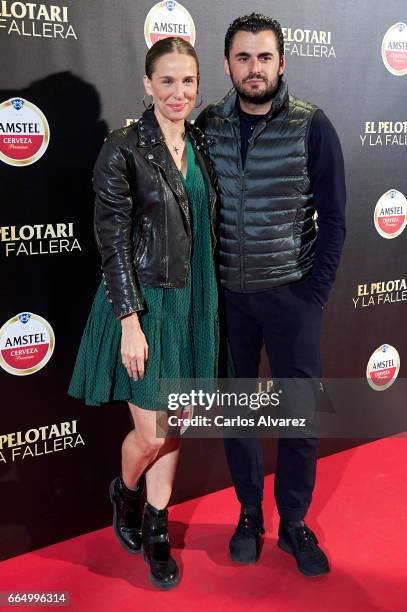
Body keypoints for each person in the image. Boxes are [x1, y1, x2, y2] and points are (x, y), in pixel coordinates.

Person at [196, 13, 346, 577]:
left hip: (291, 296)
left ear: (282, 63)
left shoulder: (312, 125)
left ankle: (295, 523)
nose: (253, 68)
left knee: (299, 416)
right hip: (229, 300)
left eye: (263, 57)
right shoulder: (207, 124)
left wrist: (316, 292)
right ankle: (249, 514)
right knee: (236, 413)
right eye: (242, 57)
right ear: (227, 65)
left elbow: (334, 217)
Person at [68, 37, 218, 590]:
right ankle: (125, 492)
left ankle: (157, 526)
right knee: (152, 432)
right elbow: (111, 242)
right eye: (168, 81)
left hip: (196, 299)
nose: (179, 92)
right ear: (147, 84)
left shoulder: (202, 144)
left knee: (175, 425)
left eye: (188, 81)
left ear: (199, 84)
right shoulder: (124, 147)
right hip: (146, 304)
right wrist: (129, 321)